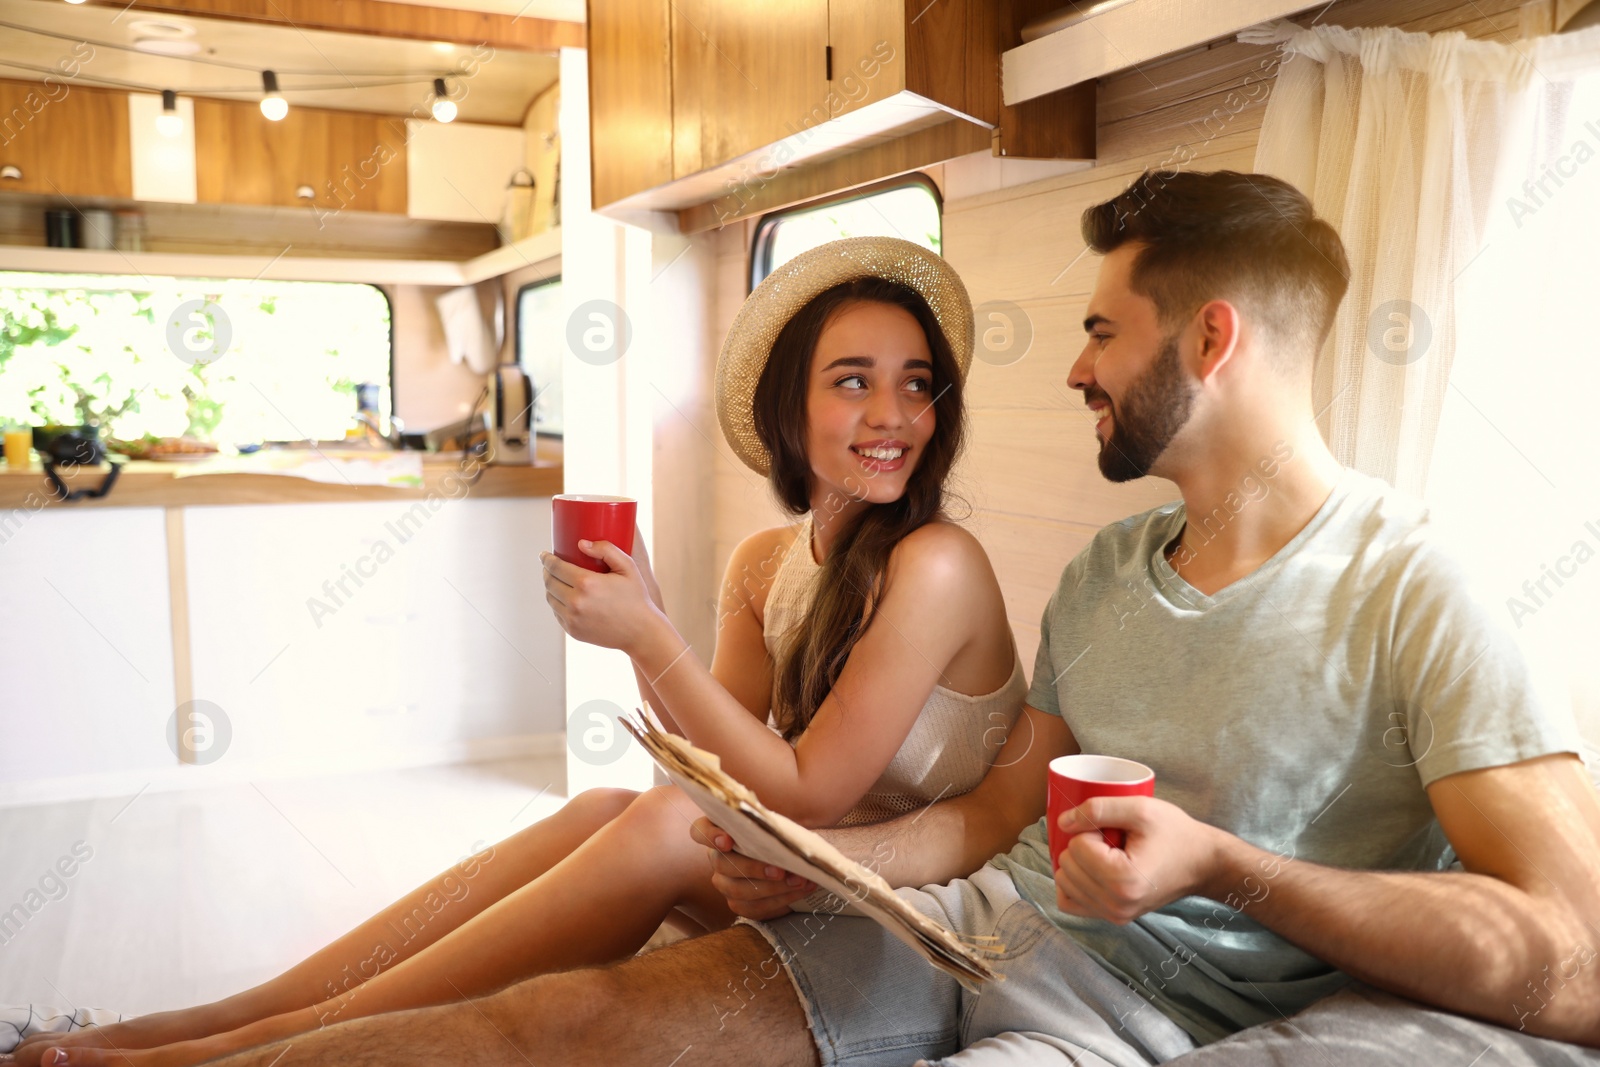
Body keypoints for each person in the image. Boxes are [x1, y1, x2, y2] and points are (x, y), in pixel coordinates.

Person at [107, 166, 1600, 1067]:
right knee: (559, 1020)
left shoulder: (1418, 588)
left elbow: (1573, 959)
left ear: (1208, 339)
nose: (1074, 367)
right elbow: (982, 820)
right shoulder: (1104, 572)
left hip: (1108, 1013)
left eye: (1100, 327)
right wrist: (828, 866)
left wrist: (1227, 866)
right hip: (968, 931)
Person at [10, 238, 1032, 1067]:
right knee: (609, 806)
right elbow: (718, 769)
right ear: (788, 410)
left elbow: (805, 788)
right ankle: (206, 1021)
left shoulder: (936, 562)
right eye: (852, 382)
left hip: (921, 901)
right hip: (806, 871)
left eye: (915, 385)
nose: (894, 415)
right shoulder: (771, 559)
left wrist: (650, 635)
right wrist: (645, 623)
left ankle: (252, 1048)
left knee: (664, 819)